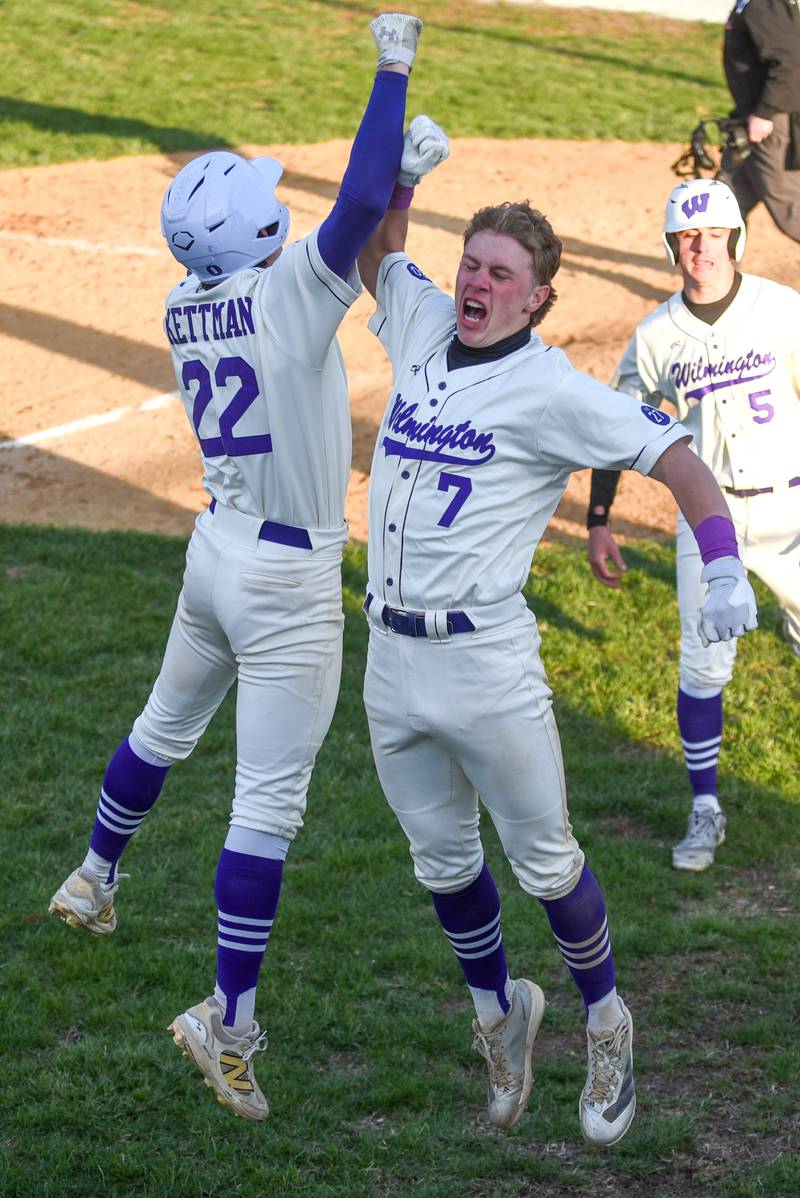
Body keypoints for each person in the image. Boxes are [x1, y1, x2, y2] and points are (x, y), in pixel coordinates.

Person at [48, 11, 424, 1123]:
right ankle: (229, 1026)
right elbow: (351, 216)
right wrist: (390, 74)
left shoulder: (186, 300)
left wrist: (398, 173)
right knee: (267, 803)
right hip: (287, 579)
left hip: (215, 553)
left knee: (166, 725)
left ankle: (94, 876)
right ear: (253, 230)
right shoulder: (285, 293)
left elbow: (350, 221)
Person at [355, 153, 758, 1143]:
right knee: (442, 864)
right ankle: (500, 1018)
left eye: (500, 275)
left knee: (544, 864)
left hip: (484, 664)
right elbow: (377, 259)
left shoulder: (549, 389)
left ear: (536, 300)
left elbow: (673, 455)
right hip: (388, 662)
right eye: (472, 265)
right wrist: (400, 188)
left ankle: (608, 1018)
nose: (476, 284)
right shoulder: (420, 326)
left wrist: (718, 559)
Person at [586, 177, 800, 873]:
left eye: (712, 234)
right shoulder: (654, 337)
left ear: (735, 237)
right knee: (702, 663)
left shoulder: (781, 309)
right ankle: (705, 807)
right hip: (707, 520)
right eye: (686, 236)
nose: (700, 248)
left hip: (790, 503)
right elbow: (619, 428)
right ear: (672, 246)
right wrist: (597, 520)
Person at [721, 0, 800, 245]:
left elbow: (789, 63)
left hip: (768, 123)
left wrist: (766, 113)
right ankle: (718, 281)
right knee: (725, 201)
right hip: (753, 119)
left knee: (789, 208)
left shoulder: (765, 4)